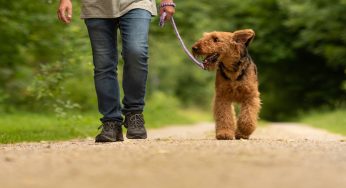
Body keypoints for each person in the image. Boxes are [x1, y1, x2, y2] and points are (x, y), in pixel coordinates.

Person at [57, 0, 175, 142]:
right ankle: (111, 122)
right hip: (96, 5)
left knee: (136, 52)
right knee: (103, 63)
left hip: (137, 3)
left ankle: (134, 113)